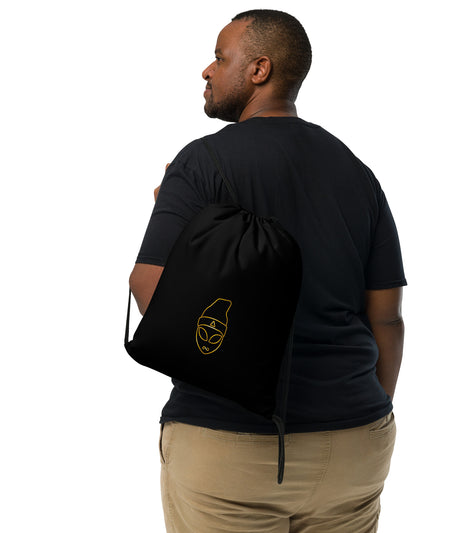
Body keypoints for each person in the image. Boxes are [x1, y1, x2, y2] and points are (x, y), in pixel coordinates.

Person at [129, 9, 406, 533]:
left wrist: (175, 221)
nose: (207, 70)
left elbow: (150, 292)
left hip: (231, 448)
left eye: (219, 57)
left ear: (259, 70)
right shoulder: (358, 173)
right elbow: (387, 319)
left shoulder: (202, 163)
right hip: (354, 447)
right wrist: (360, 414)